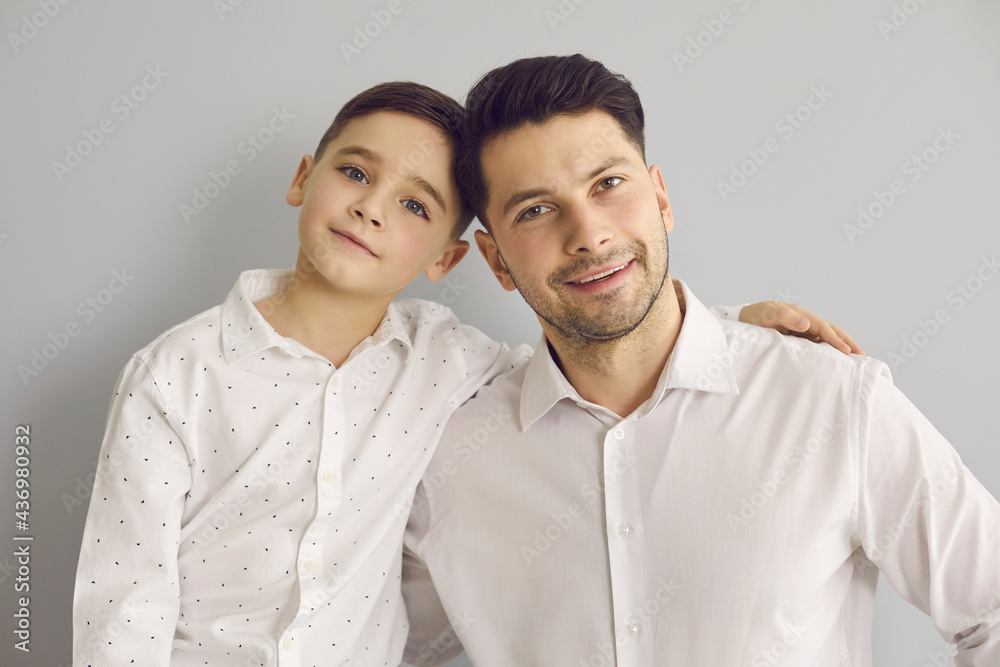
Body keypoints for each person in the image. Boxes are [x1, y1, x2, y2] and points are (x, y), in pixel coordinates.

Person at [71, 80, 850, 666]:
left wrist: (727, 327)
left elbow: (586, 359)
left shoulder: (443, 358)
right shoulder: (176, 374)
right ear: (303, 178)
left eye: (416, 206)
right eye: (354, 173)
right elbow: (123, 603)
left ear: (448, 257)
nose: (372, 208)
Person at [400, 55, 1000, 666]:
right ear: (496, 260)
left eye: (608, 184)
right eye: (535, 210)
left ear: (659, 198)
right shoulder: (445, 457)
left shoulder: (832, 401)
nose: (588, 233)